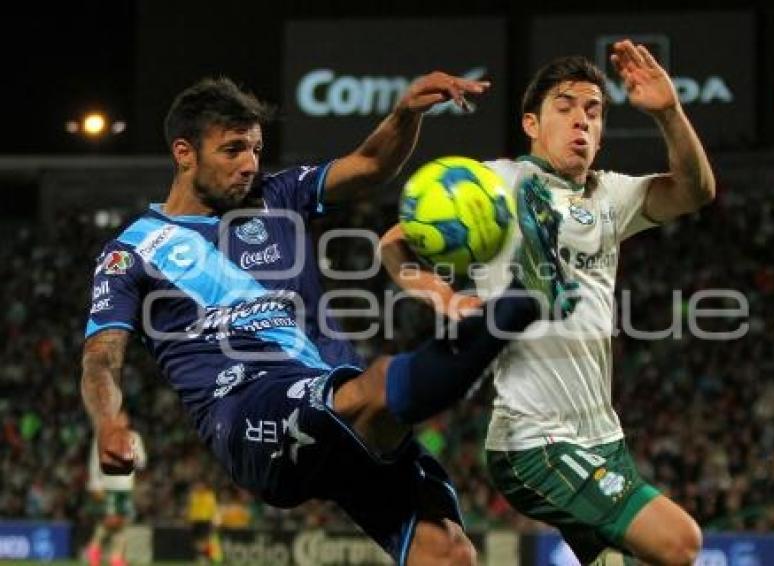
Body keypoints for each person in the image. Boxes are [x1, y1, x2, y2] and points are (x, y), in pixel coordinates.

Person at [80, 73, 561, 565]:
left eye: (255, 149)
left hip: (336, 402)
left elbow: (371, 164)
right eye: (232, 150)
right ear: (185, 153)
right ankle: (519, 304)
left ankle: (512, 311)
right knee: (372, 390)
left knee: (448, 553)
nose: (249, 165)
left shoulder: (277, 195)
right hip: (247, 409)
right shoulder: (132, 251)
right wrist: (108, 421)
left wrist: (406, 113)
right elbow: (101, 358)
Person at [379, 40, 715, 565]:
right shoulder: (494, 183)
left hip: (604, 438)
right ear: (532, 124)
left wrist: (669, 112)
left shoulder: (613, 196)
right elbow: (394, 242)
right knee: (680, 542)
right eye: (565, 107)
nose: (581, 120)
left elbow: (696, 191)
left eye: (594, 111)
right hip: (534, 441)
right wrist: (441, 294)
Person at [84, 411, 146, 566]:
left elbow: (142, 463)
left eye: (124, 417)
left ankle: (116, 558)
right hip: (109, 485)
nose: (121, 420)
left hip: (126, 487)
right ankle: (93, 549)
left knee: (123, 523)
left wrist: (135, 455)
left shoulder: (134, 437)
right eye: (117, 417)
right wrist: (95, 484)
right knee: (108, 521)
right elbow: (94, 462)